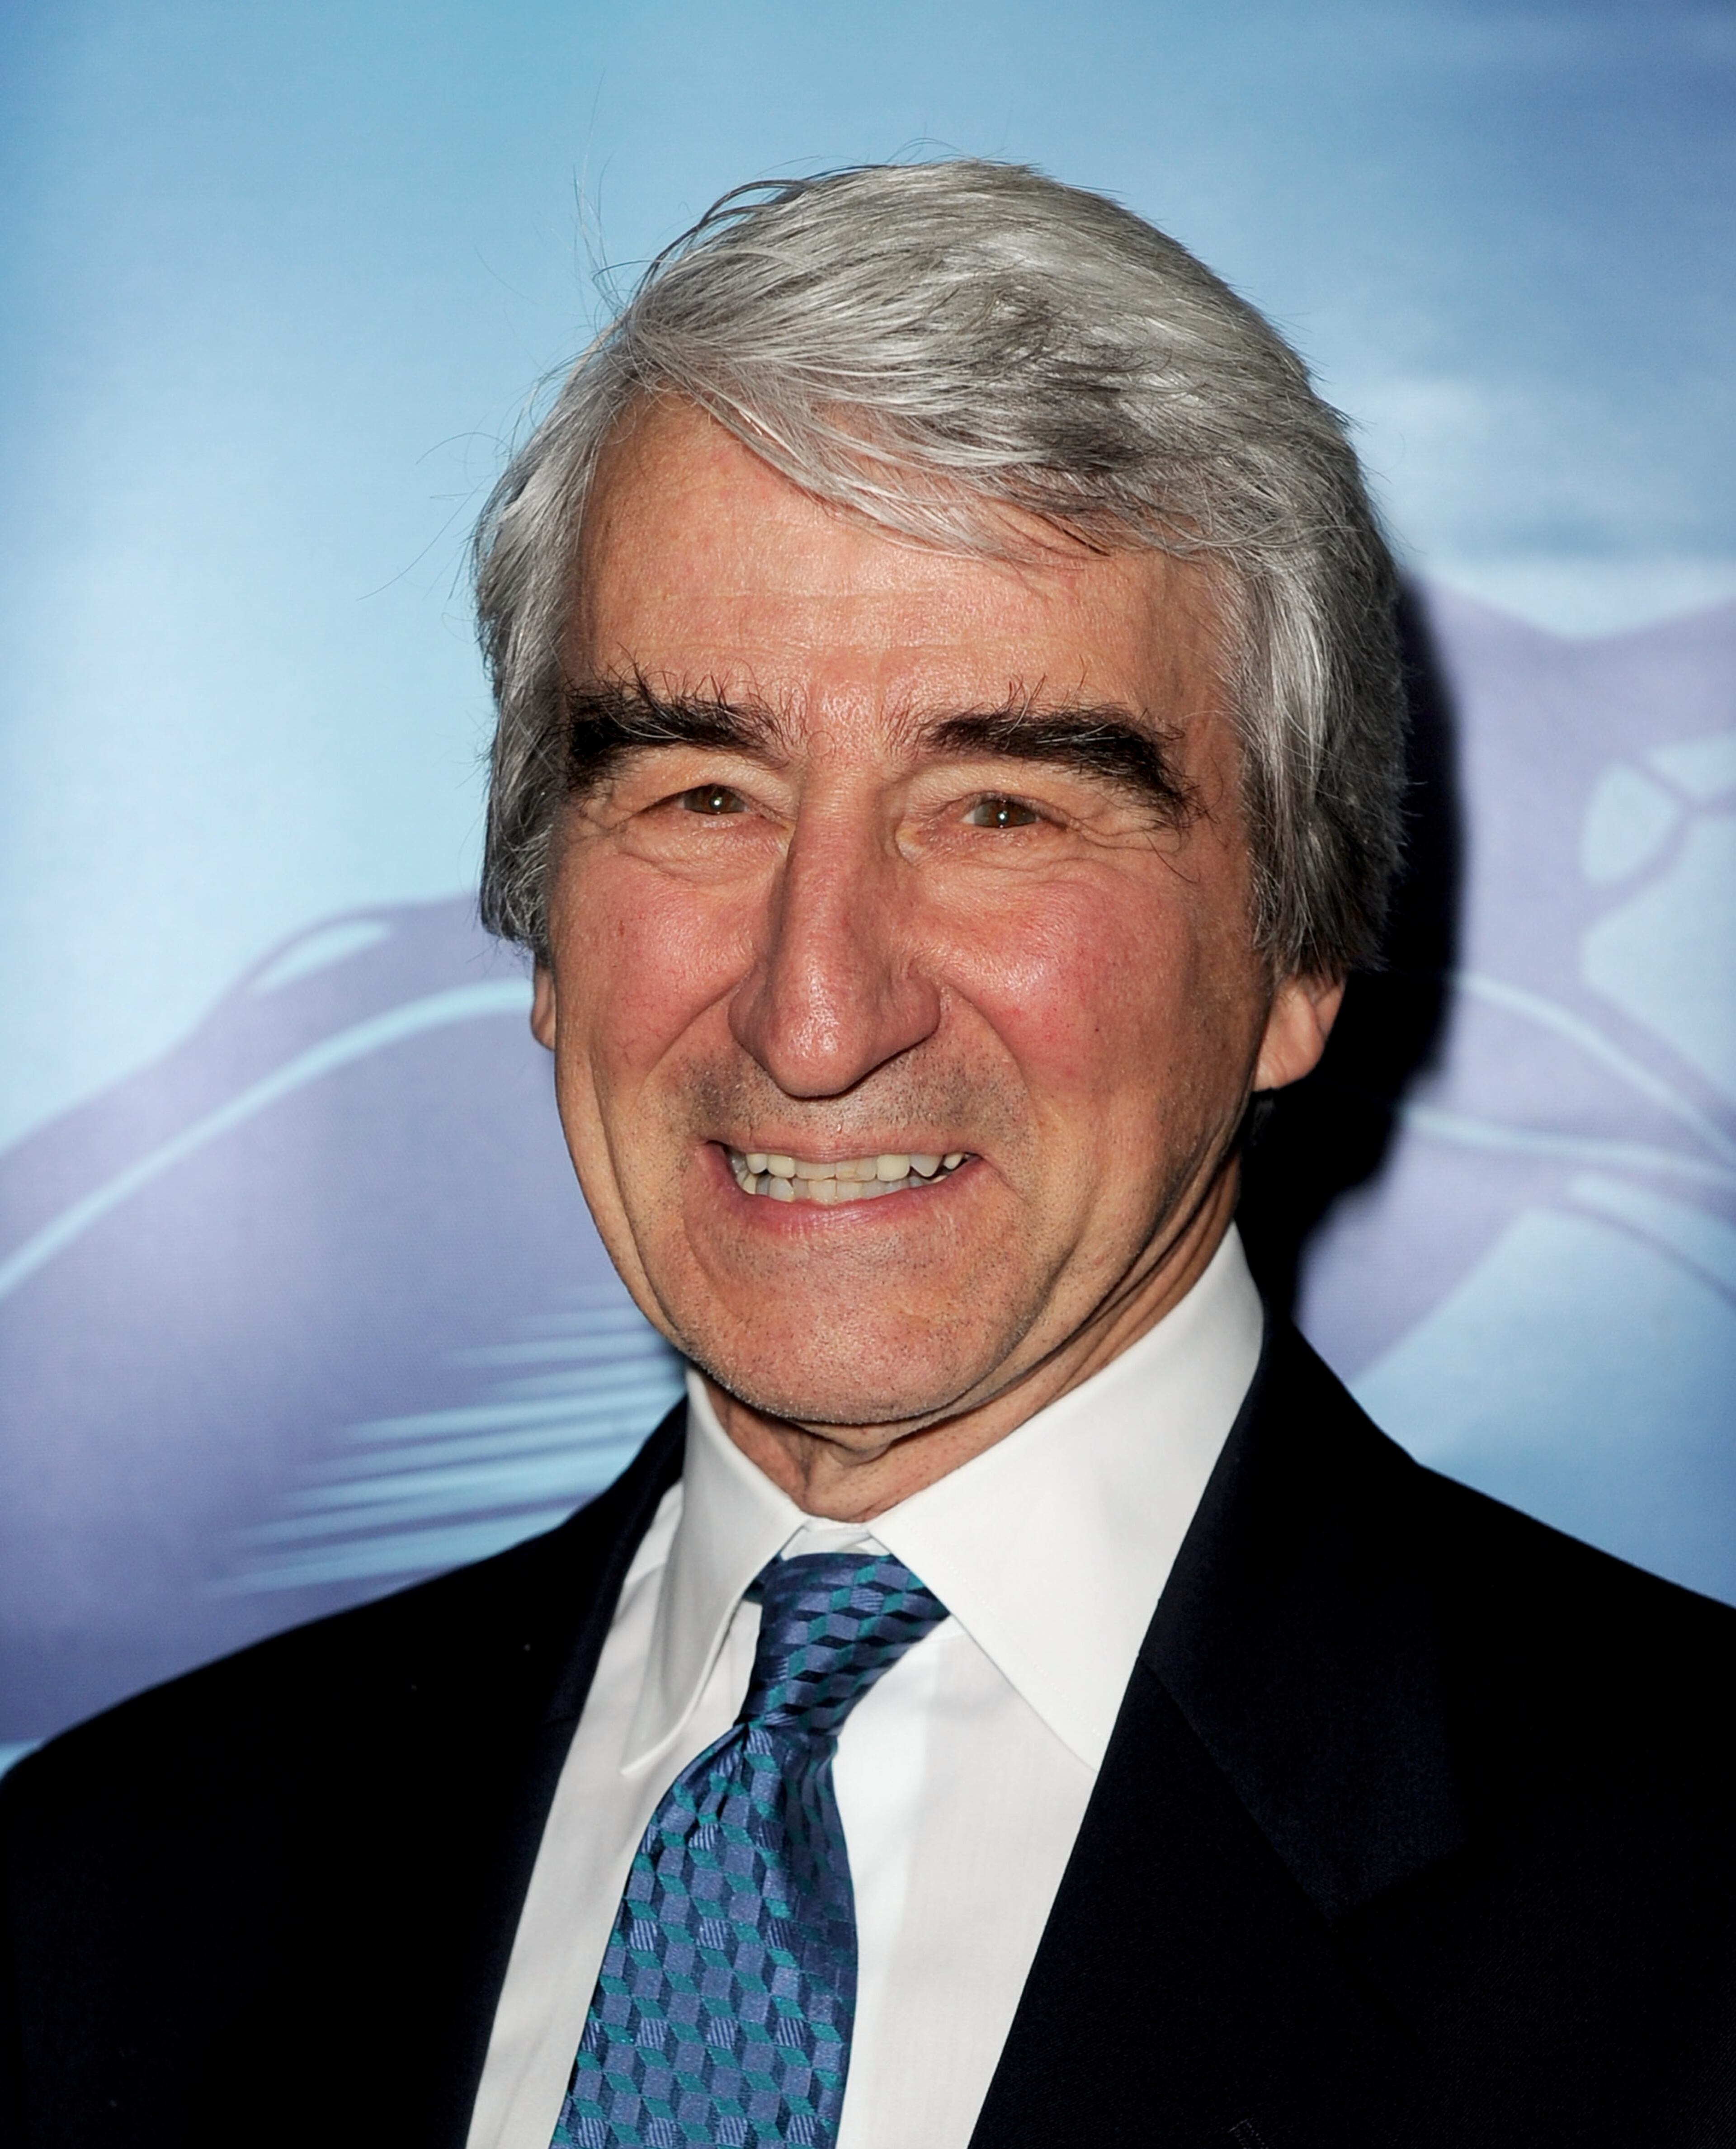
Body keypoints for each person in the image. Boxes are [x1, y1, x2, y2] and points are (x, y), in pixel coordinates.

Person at [2, 160, 1732, 2149]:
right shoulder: (102, 1903)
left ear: (1300, 948)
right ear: (538, 918)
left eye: (1001, 808)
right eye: (703, 790)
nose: (815, 1015)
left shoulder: (1691, 1904)